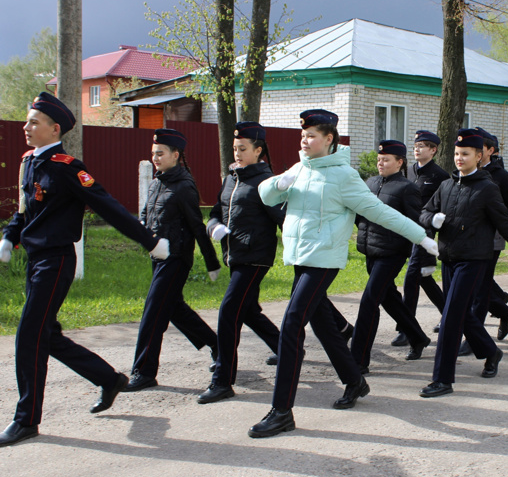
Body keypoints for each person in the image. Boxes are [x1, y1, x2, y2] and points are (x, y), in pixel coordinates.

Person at [251, 109, 437, 437]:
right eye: (303, 136)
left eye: (311, 136)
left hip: (323, 260)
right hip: (300, 258)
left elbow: (380, 211)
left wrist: (420, 236)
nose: (305, 141)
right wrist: (279, 182)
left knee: (292, 324)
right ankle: (355, 381)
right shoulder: (301, 168)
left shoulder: (344, 176)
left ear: (329, 139)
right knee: (324, 324)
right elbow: (265, 195)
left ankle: (281, 411)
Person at [0, 93, 170, 447]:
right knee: (47, 335)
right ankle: (108, 379)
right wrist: (10, 236)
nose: (26, 127)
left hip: (57, 260)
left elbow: (108, 207)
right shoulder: (29, 162)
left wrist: (149, 240)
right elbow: (24, 209)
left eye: (34, 122)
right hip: (35, 260)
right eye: (27, 121)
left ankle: (26, 420)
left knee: (29, 335)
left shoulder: (68, 169)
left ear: (54, 128)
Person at [418, 128, 508, 395]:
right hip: (449, 258)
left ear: (478, 156)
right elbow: (425, 212)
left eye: (466, 154)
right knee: (459, 314)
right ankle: (490, 351)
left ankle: (442, 379)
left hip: (474, 260)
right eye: (457, 154)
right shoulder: (447, 185)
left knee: (451, 317)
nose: (459, 159)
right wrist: (432, 220)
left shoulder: (488, 188)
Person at [124, 129, 221, 392]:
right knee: (173, 307)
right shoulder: (158, 181)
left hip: (176, 258)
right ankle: (218, 345)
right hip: (159, 256)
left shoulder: (184, 186)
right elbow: (146, 214)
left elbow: (196, 226)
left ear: (175, 155)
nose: (155, 158)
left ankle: (144, 372)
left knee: (154, 311)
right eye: (153, 153)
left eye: (160, 153)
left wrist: (211, 262)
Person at [197, 122, 285, 404]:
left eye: (243, 149)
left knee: (229, 312)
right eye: (235, 148)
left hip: (256, 257)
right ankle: (285, 347)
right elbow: (215, 213)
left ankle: (223, 380)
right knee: (246, 310)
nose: (236, 153)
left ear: (258, 151)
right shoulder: (231, 178)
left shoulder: (266, 182)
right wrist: (214, 228)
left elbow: (284, 219)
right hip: (234, 255)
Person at [350, 139, 432, 370]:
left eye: (386, 160)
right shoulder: (371, 183)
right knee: (390, 299)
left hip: (393, 253)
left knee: (369, 302)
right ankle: (417, 337)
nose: (381, 163)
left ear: (399, 162)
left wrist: (426, 256)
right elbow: (360, 212)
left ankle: (358, 360)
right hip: (370, 250)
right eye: (379, 159)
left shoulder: (407, 188)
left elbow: (416, 223)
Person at [458, 126, 508, 356]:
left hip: (492, 239)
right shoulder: (465, 172)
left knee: (478, 288)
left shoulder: (501, 176)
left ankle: (473, 338)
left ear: (489, 151)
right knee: (478, 285)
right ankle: (503, 311)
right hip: (467, 237)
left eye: (480, 147)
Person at [392, 130, 448, 348]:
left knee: (411, 278)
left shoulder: (439, 176)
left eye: (423, 145)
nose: (417, 149)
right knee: (423, 279)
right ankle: (448, 312)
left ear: (433, 150)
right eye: (416, 145)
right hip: (406, 231)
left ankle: (406, 329)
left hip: (425, 234)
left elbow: (440, 211)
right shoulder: (409, 171)